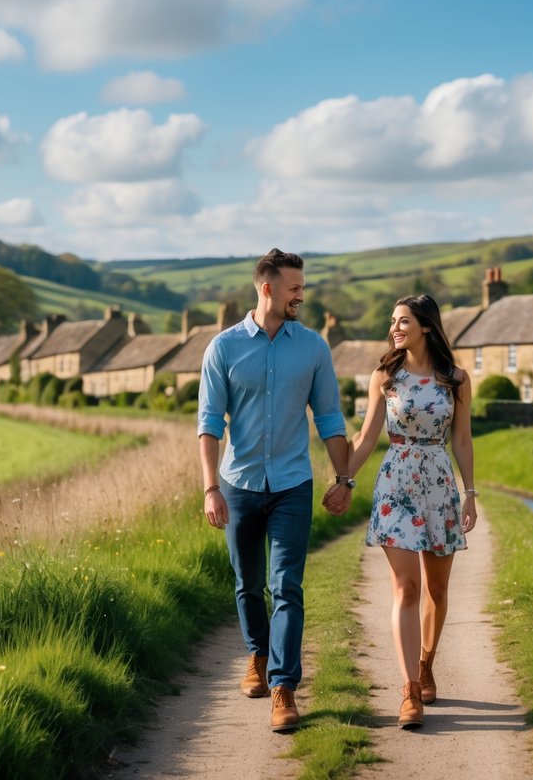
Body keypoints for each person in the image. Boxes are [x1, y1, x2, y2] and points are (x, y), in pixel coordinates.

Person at [198, 248, 353, 734]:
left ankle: (284, 688)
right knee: (247, 583)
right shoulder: (222, 349)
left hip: (291, 484)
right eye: (294, 288)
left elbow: (329, 417)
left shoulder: (313, 348)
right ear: (267, 288)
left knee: (285, 586)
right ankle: (257, 656)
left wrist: (343, 479)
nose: (300, 296)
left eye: (302, 288)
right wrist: (210, 489)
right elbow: (208, 424)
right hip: (238, 484)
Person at [343, 294, 477, 729]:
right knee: (406, 587)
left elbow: (461, 439)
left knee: (437, 590)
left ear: (425, 326)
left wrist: (469, 492)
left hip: (439, 484)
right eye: (392, 321)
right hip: (396, 484)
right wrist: (343, 481)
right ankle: (409, 691)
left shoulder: (455, 379)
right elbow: (365, 437)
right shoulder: (385, 375)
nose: (394, 328)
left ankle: (426, 663)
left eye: (402, 321)